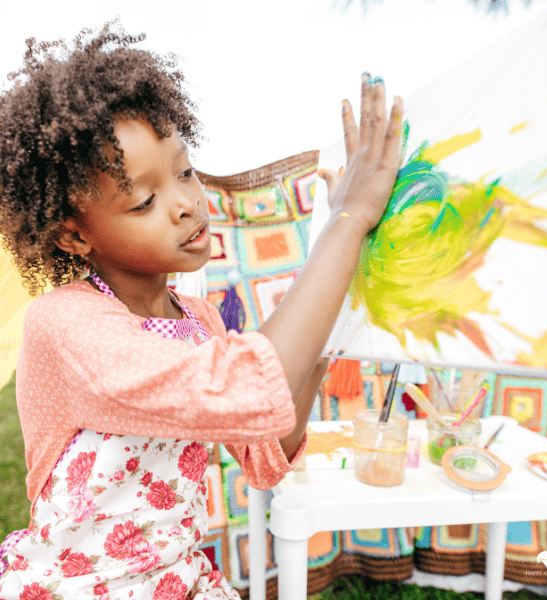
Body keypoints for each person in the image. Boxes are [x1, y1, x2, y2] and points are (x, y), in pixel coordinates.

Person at [0, 21, 403, 599]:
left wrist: (322, 350)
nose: (188, 204)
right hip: (79, 587)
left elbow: (265, 455)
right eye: (144, 200)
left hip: (178, 580)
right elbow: (245, 387)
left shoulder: (199, 320)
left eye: (185, 171)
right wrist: (346, 222)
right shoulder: (65, 324)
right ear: (73, 236)